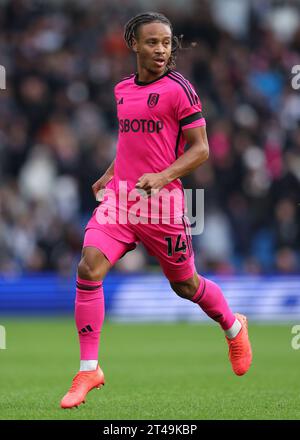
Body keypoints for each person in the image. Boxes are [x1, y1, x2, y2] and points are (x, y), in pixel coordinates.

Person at [60, 12, 252, 409]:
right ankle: (89, 369)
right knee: (88, 267)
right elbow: (131, 141)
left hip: (162, 205)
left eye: (166, 42)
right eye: (152, 42)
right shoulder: (122, 89)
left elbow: (200, 149)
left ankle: (233, 327)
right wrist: (109, 174)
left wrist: (163, 177)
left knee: (185, 285)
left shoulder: (180, 89)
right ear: (134, 44)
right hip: (122, 200)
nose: (161, 49)